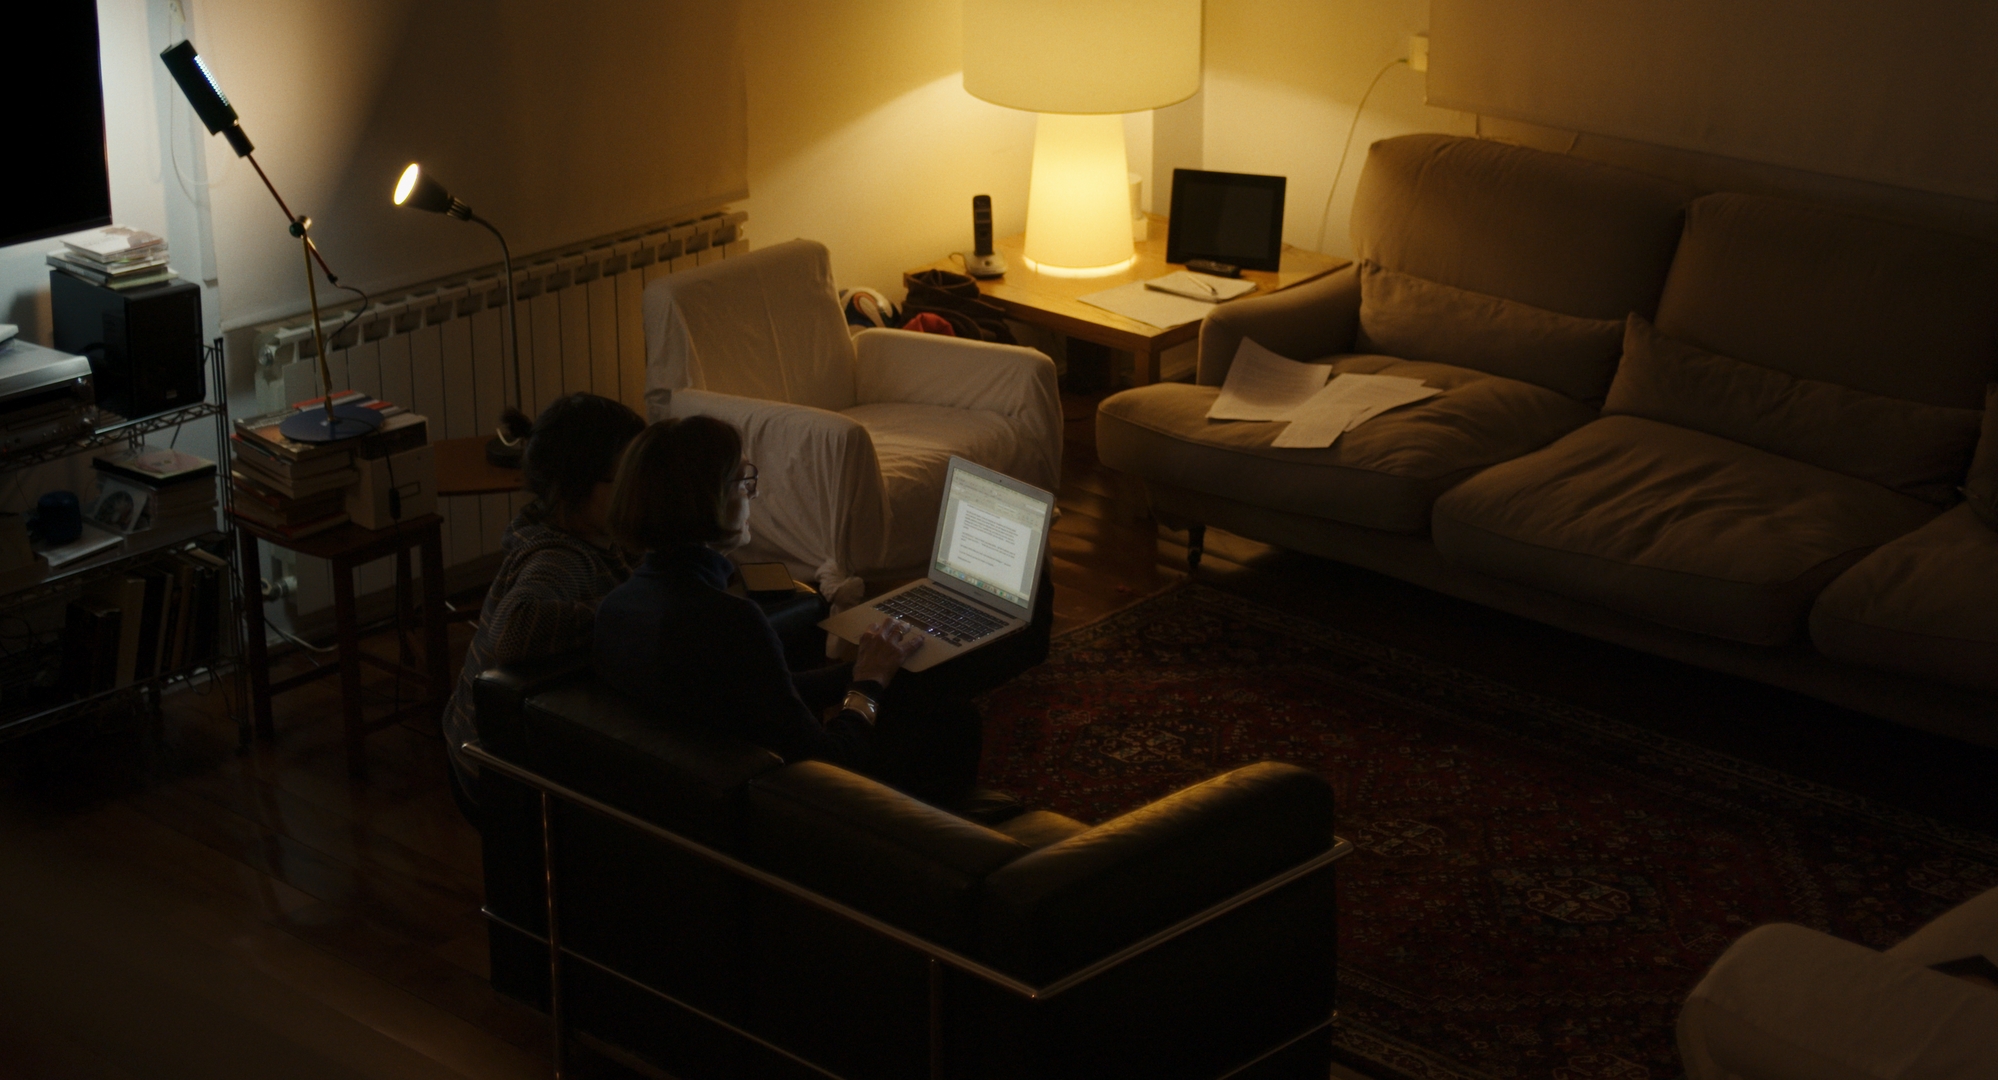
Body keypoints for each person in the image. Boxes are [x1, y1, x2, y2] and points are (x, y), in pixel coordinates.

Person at [593, 415, 985, 804]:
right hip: (785, 806)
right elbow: (830, 760)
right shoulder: (731, 622)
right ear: (708, 498)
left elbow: (767, 690)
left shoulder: (617, 608)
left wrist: (869, 667)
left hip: (682, 799)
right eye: (744, 481)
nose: (753, 494)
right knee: (952, 718)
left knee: (911, 683)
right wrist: (866, 687)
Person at [442, 393, 647, 824]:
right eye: (625, 479)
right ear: (575, 487)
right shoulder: (559, 560)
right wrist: (628, 608)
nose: (638, 490)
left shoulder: (581, 530)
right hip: (491, 772)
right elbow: (515, 629)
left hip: (475, 748)